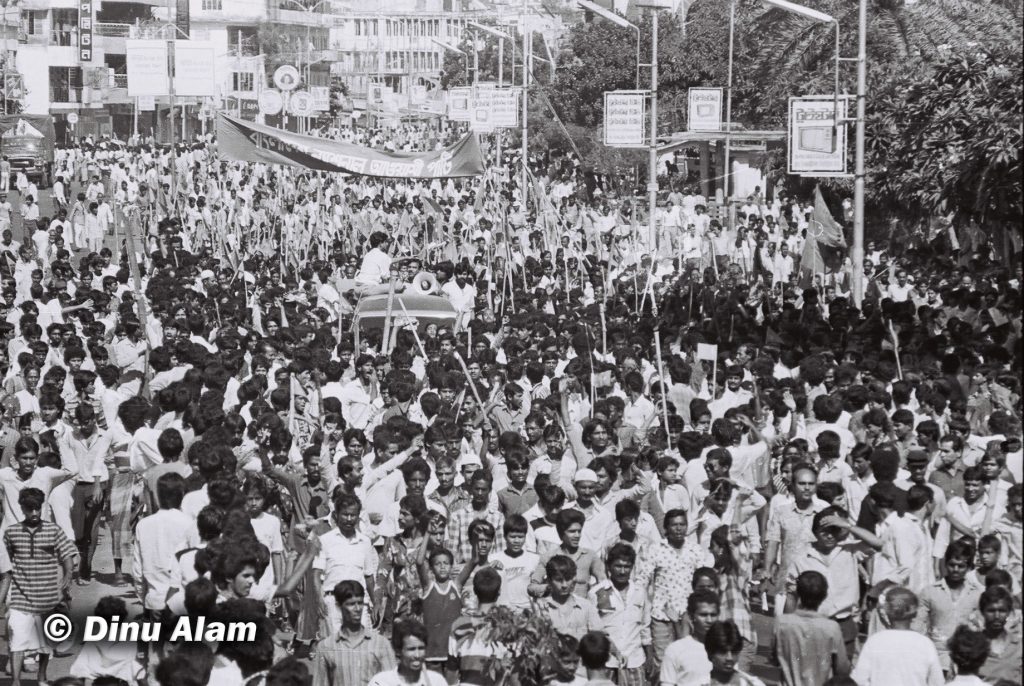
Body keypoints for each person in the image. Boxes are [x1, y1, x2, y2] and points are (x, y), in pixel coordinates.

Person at [0, 487, 77, 686]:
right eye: (29, 509)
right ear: (22, 508)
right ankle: (16, 681)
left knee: (45, 646)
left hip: (48, 598)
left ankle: (41, 678)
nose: (34, 513)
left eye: (37, 509)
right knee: (17, 640)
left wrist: (68, 574)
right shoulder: (12, 533)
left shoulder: (53, 530)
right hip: (21, 598)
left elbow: (67, 555)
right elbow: (5, 563)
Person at [851, 586, 944, 686]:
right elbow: (937, 682)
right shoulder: (925, 644)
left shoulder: (875, 642)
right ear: (915, 613)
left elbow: (860, 679)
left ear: (886, 612)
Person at [773, 570, 850, 686]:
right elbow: (842, 669)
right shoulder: (831, 627)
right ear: (824, 595)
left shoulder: (782, 623)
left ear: (798, 592)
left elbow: (775, 658)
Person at [313, 579, 395, 686]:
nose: (357, 609)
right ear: (339, 606)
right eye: (351, 604)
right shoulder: (326, 647)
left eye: (360, 603)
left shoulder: (381, 644)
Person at [367, 618, 447, 686]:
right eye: (411, 649)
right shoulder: (381, 682)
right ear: (398, 651)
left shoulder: (437, 682)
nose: (417, 655)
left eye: (421, 648)